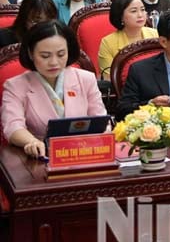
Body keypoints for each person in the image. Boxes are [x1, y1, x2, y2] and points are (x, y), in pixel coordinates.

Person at [1, 21, 106, 158]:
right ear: (31, 54)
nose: (54, 62)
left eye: (61, 54)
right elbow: (13, 126)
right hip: (40, 158)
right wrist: (32, 142)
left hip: (83, 153)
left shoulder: (86, 79)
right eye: (45, 56)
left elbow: (101, 120)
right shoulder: (15, 86)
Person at [98, 0, 159, 79]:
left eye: (142, 9)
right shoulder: (108, 43)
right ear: (121, 16)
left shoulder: (155, 34)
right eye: (134, 11)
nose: (140, 15)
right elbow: (109, 78)